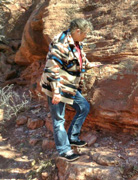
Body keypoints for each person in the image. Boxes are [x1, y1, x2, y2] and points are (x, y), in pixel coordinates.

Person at [40, 18, 99, 161]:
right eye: (85, 33)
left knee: (84, 107)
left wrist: (90, 65)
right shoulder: (61, 44)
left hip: (69, 87)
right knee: (59, 119)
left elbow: (79, 58)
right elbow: (52, 68)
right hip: (57, 86)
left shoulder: (77, 42)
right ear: (77, 31)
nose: (86, 36)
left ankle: (72, 137)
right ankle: (64, 150)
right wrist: (56, 91)